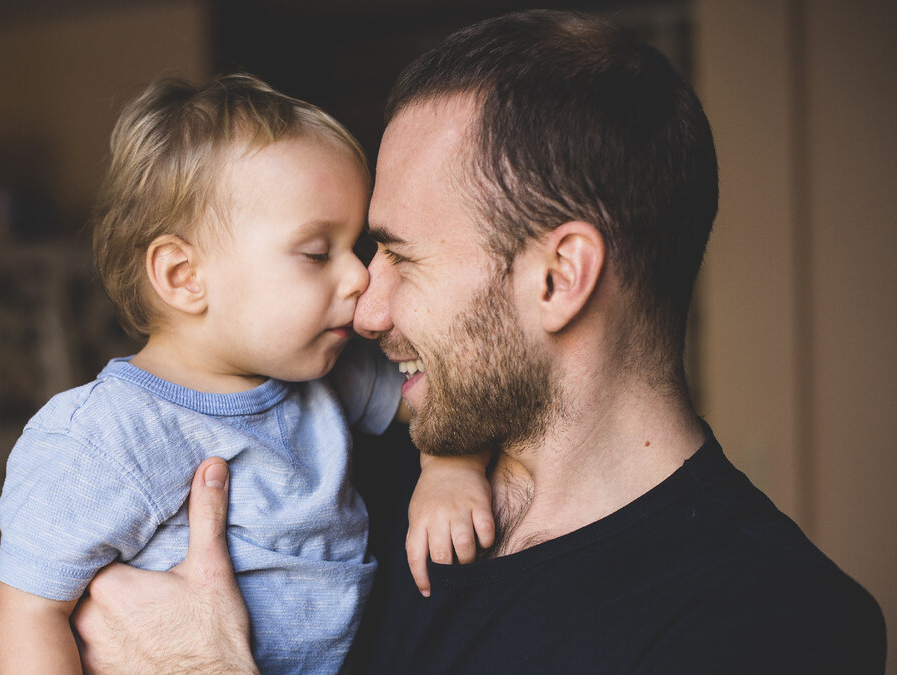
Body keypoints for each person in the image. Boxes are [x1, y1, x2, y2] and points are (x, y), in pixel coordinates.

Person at [71, 10, 888, 673]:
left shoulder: (774, 624)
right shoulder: (344, 480)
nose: (364, 308)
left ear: (557, 277)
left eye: (400, 254)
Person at [0, 73, 495, 674]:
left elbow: (448, 401)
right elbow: (23, 610)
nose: (361, 277)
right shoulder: (102, 436)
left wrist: (448, 467)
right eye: (316, 253)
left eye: (355, 245)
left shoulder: (327, 376)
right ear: (183, 276)